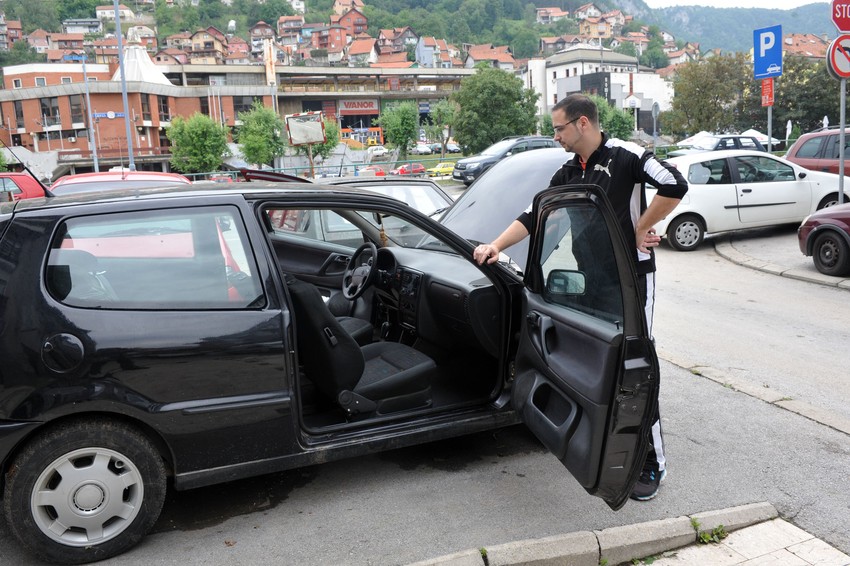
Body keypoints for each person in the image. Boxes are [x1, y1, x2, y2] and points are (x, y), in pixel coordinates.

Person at [473, 94, 688, 501]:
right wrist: (496, 246)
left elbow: (675, 184)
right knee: (600, 365)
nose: (556, 137)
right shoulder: (571, 170)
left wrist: (640, 227)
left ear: (583, 123)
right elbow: (535, 214)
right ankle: (606, 444)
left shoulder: (627, 155)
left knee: (635, 366)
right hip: (591, 280)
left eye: (559, 128)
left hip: (630, 279)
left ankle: (652, 462)